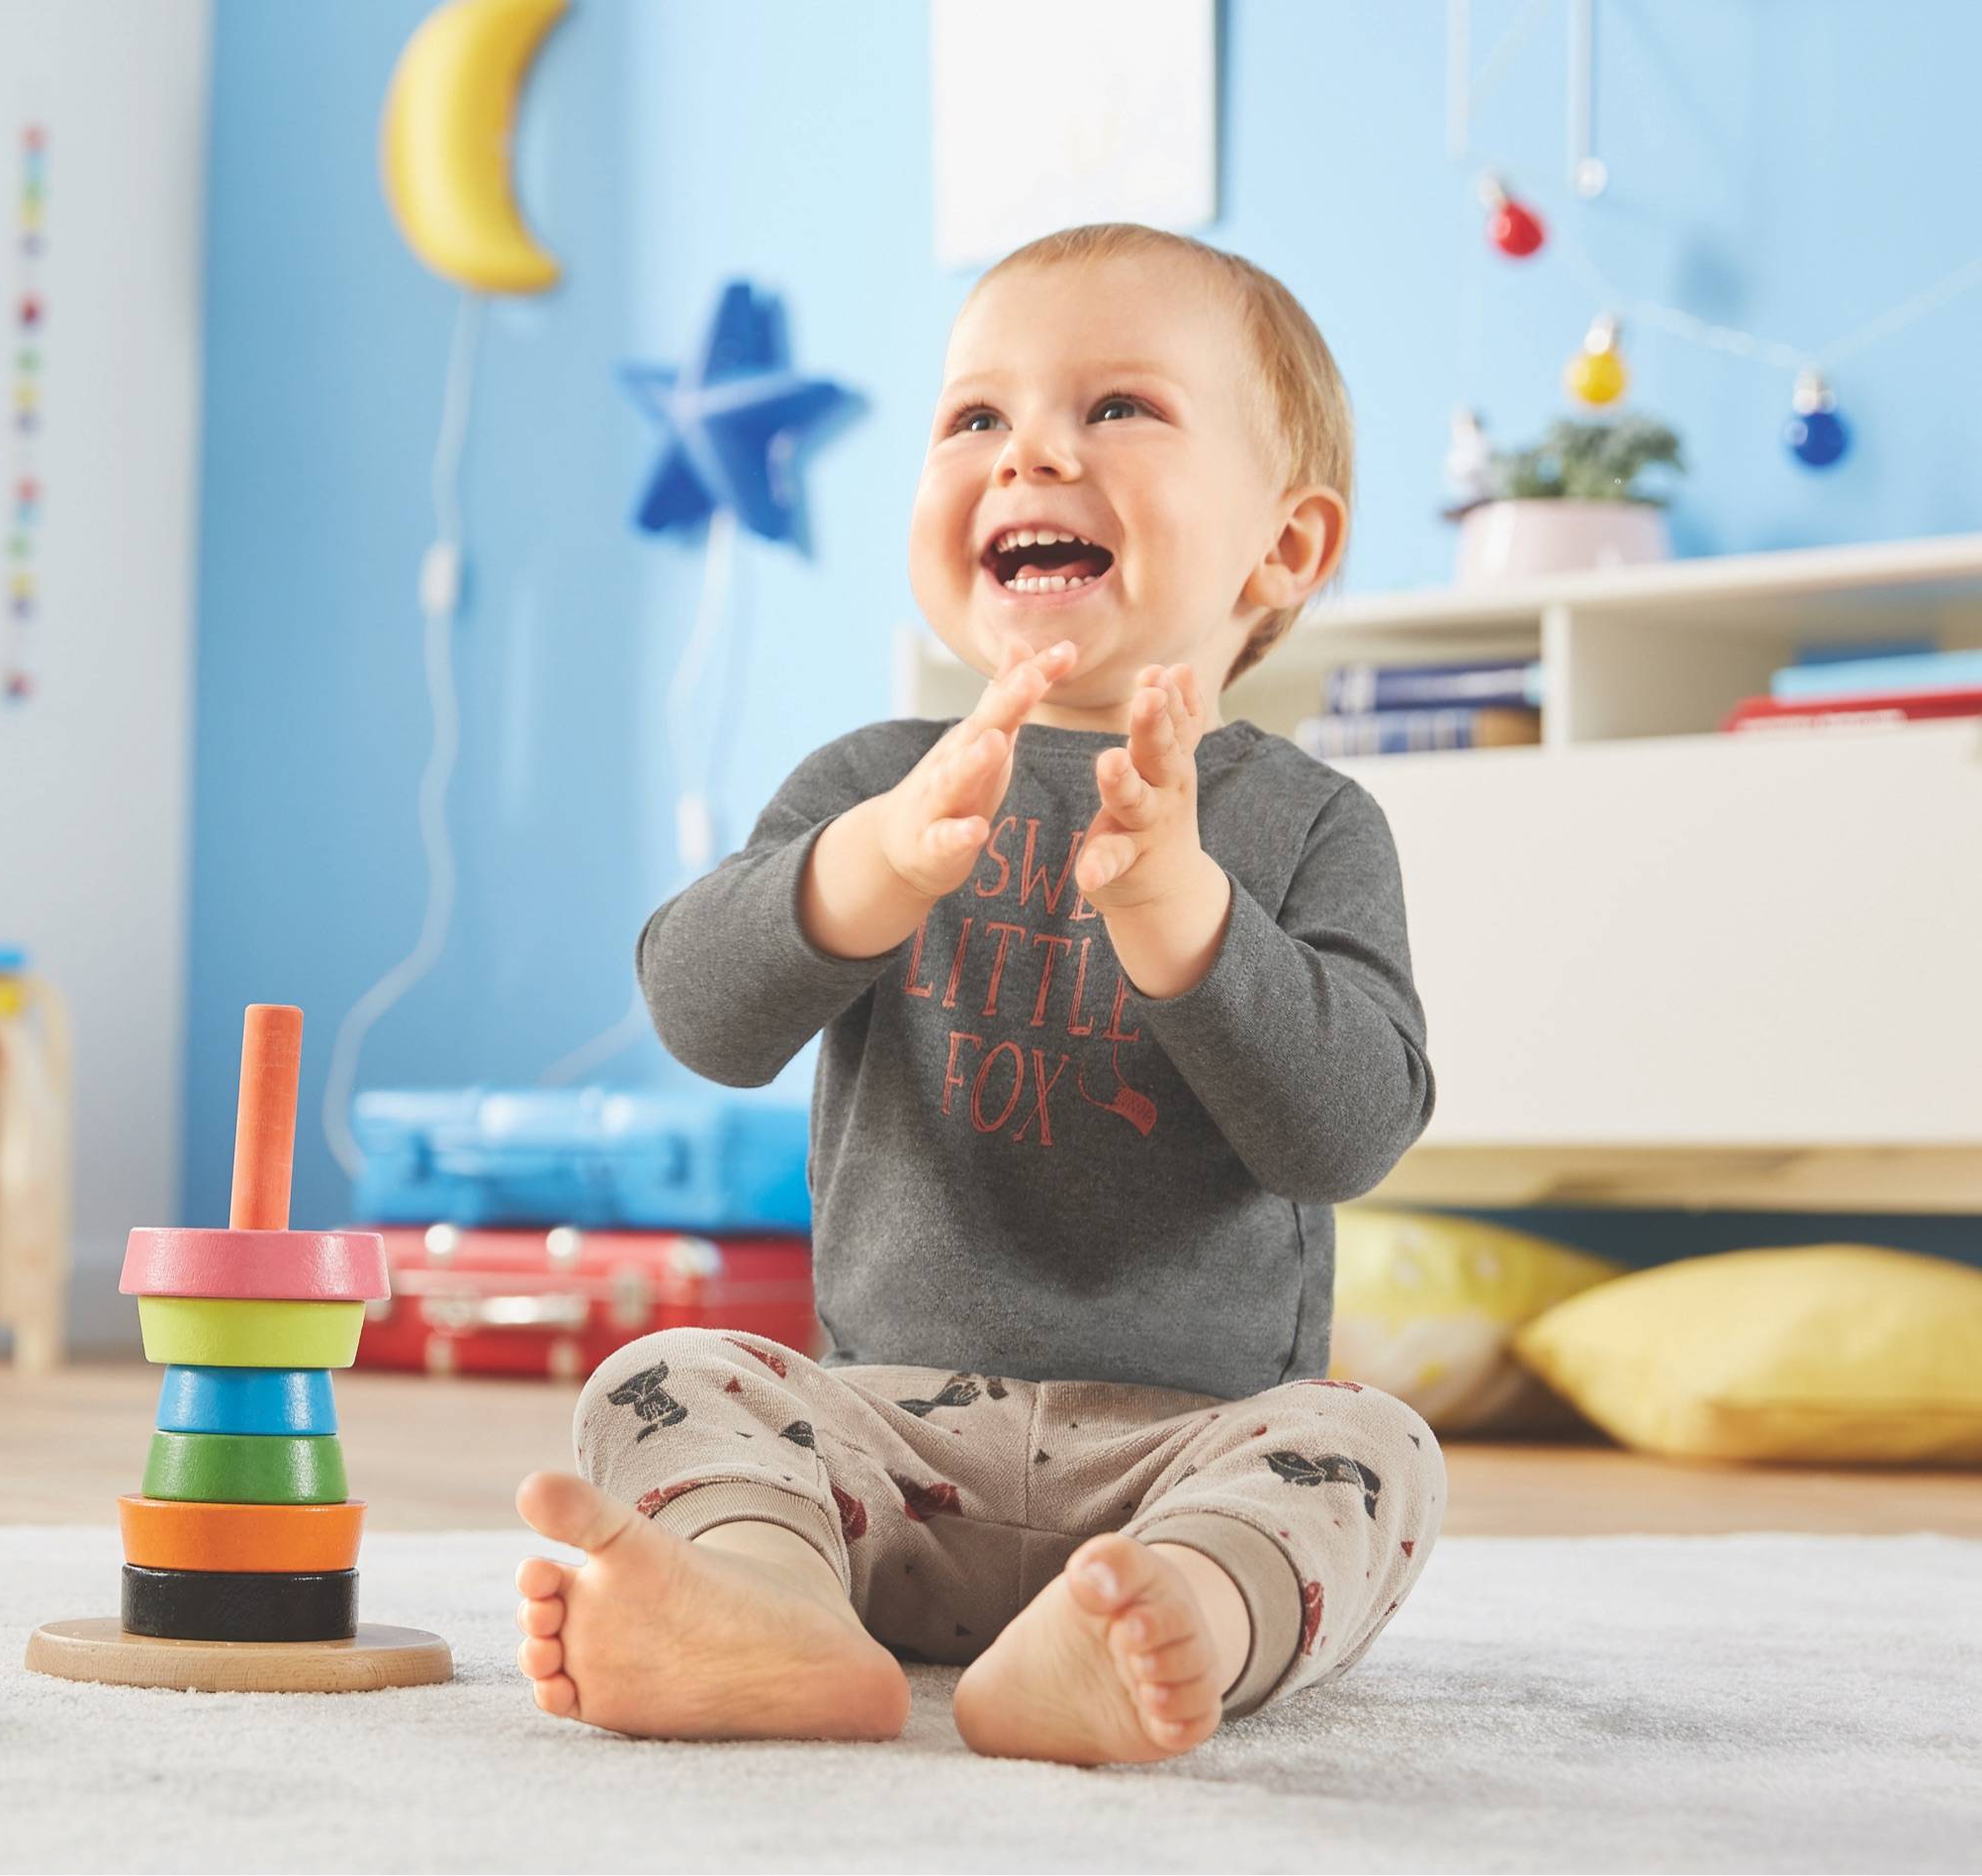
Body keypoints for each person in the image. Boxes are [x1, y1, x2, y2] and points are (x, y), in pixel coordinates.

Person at [513, 223, 1440, 1765]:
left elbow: (1346, 1131)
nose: (1029, 458)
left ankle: (1167, 1622)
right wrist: (862, 872)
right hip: (882, 1440)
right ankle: (764, 1608)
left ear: (1283, 547)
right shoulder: (872, 782)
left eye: (1118, 408)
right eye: (976, 418)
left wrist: (1182, 912)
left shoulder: (1309, 824)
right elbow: (699, 1012)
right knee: (668, 1373)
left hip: (1184, 1446)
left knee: (1370, 1448)